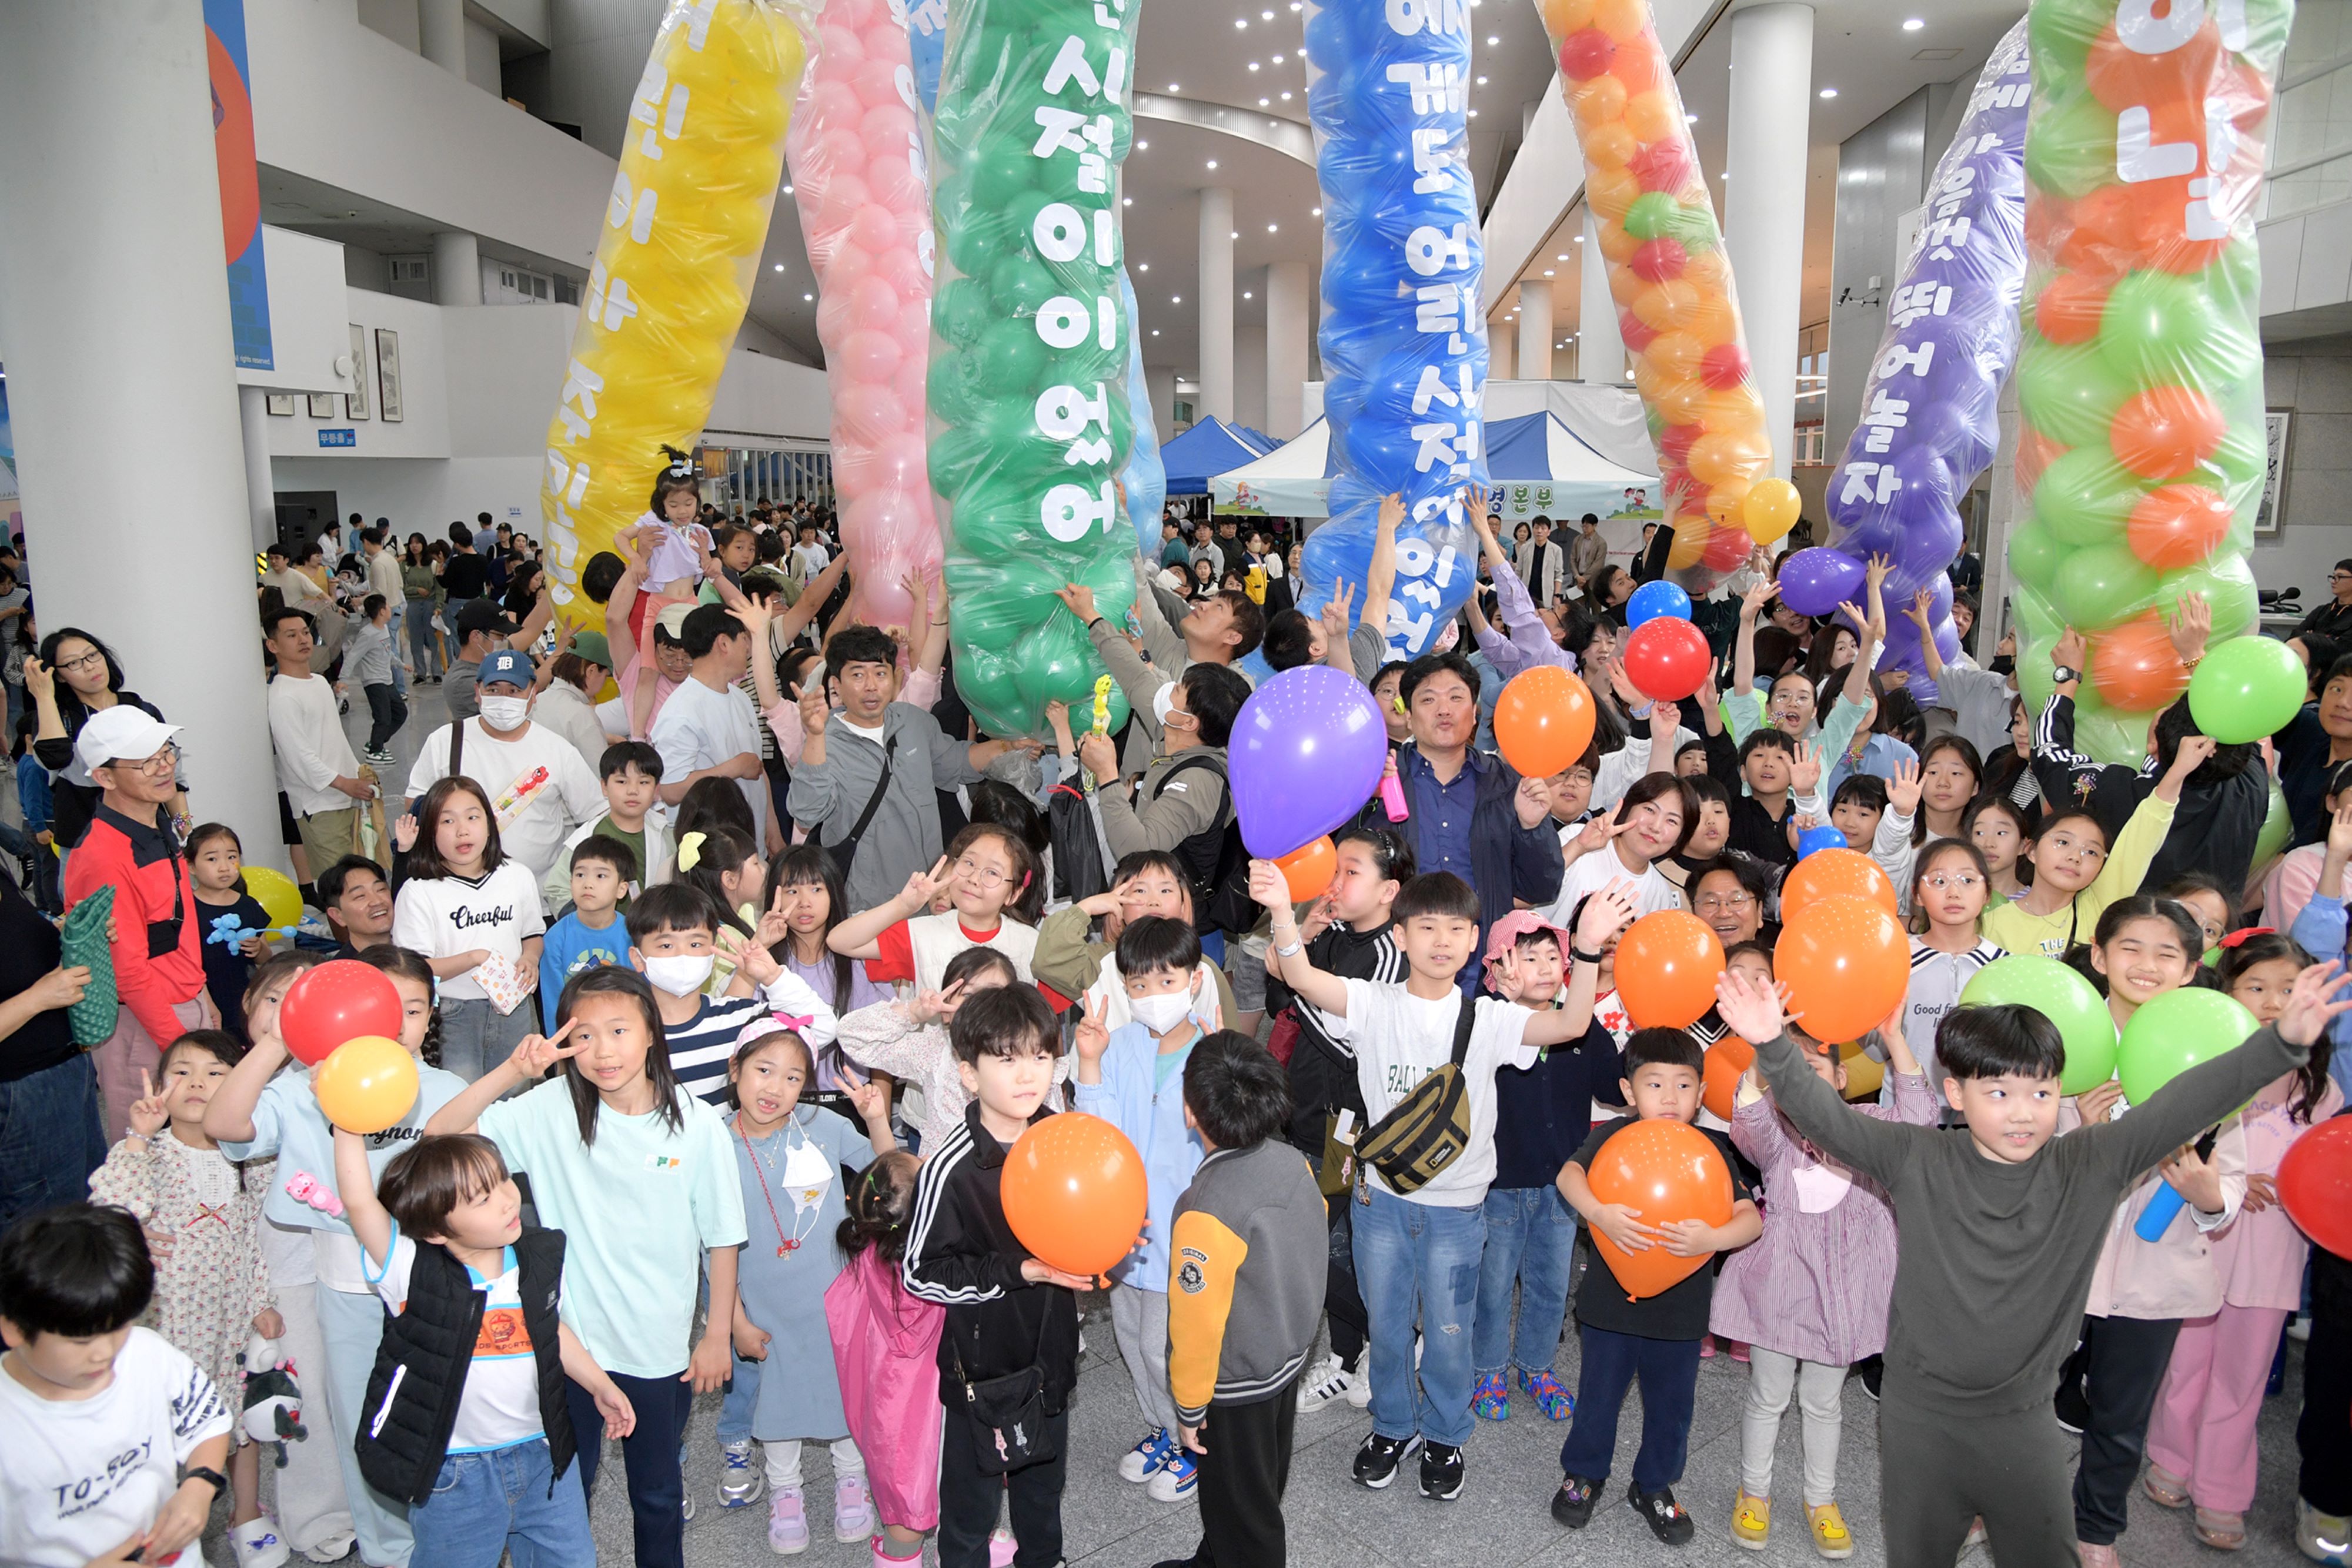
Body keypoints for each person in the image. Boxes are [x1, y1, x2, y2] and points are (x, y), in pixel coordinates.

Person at [1707, 956, 2351, 1566]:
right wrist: (1772, 1045)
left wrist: (2280, 1044)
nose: (2023, 1114)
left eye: (2042, 1094)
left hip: (2022, 1419)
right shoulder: (1917, 1158)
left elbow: (2182, 1103)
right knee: (1919, 1553)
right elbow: (1827, 1121)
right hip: (1917, 1417)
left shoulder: (2091, 1162)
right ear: (1954, 1094)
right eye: (2000, 1094)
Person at [1257, 866, 1626, 1500]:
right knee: (1390, 1325)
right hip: (1381, 1203)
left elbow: (1567, 1027)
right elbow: (1299, 975)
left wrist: (1586, 949)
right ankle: (1393, 1427)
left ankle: (1447, 1435)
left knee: (1451, 1330)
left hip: (1458, 1211)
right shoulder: (1372, 1004)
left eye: (1457, 929)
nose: (1441, 940)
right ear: (1400, 936)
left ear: (1475, 938)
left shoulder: (1488, 1017)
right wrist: (1282, 915)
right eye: (1426, 927)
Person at [426, 965, 749, 1568]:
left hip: (657, 1344)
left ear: (652, 1033)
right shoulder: (546, 1109)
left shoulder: (697, 1124)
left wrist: (716, 1334)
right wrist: (513, 1073)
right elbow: (440, 1138)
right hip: (565, 1343)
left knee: (656, 1493)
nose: (602, 1051)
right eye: (583, 1035)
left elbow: (723, 1238)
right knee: (561, 1493)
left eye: (620, 1030)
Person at [207, 949, 467, 1568]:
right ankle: (387, 1551)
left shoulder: (445, 1089)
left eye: (412, 1010)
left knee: (447, 1412)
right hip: (344, 1282)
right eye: (384, 1008)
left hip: (433, 1277)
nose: (397, 1025)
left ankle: (457, 1539)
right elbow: (225, 1123)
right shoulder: (302, 1087)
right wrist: (281, 1038)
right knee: (362, 1423)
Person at [330, 1125, 621, 1568]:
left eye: (502, 1179)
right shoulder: (410, 1269)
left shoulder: (537, 1257)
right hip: (455, 1475)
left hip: (543, 1455)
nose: (507, 1198)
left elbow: (549, 1330)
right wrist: (346, 1122)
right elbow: (358, 1201)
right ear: (434, 1231)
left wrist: (599, 1383)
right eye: (482, 1198)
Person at [2060, 896, 2242, 1568]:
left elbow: (2232, 1178)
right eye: (2131, 947)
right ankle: (1993, 1502)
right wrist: (2078, 1135)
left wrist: (2208, 1198)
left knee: (2119, 1414)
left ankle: (2096, 1532)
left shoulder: (2214, 1055)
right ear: (2101, 956)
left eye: (2168, 953)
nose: (2147, 964)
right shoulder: (2065, 1040)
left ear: (2192, 969)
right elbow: (2013, 1147)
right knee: (2015, 1391)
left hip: (2154, 1268)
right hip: (2059, 1259)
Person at [1715, 1013, 1939, 1554]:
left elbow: (1922, 1116)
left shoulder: (1872, 1129)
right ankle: (1755, 1491)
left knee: (1823, 1403)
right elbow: (1745, 1116)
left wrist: (1891, 1035)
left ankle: (1821, 1498)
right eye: (1790, 1071)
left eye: (1813, 1066)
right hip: (1781, 1292)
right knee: (1767, 1396)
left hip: (1846, 1298)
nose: (1803, 1078)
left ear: (1841, 1079)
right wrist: (1763, 1056)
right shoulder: (1776, 1136)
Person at [2145, 932, 2342, 1550]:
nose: (2270, 1001)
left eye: (2287, 989)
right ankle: (2168, 1458)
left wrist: (2286, 1184)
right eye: (2254, 987)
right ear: (2227, 993)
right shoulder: (2208, 1067)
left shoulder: (2322, 1093)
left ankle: (2223, 1491)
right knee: (2185, 1362)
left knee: (2243, 1375)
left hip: (2272, 1257)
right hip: (2201, 1245)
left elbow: (2323, 1178)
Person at [901, 985, 1093, 1568]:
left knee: (1042, 1492)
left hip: (1051, 1354)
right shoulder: (951, 1168)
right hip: (980, 1372)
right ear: (967, 1072)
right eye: (1006, 1058)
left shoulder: (1061, 1139)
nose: (1027, 1073)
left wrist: (1103, 1244)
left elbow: (1082, 1225)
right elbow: (920, 1273)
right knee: (971, 1508)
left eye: (1039, 1055)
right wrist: (1018, 1270)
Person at [1551, 1028, 1763, 1543]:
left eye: (1684, 1086)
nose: (1670, 1098)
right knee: (1598, 1395)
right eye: (1655, 1084)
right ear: (1629, 1090)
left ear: (1702, 1090)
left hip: (1681, 1312)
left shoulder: (1710, 1149)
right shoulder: (1612, 1136)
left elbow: (1750, 1218)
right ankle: (1584, 1472)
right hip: (1609, 1306)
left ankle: (1655, 1483)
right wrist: (1599, 1210)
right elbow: (1567, 1176)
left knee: (1672, 1405)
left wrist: (1713, 1236)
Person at [87, 1031, 290, 1568]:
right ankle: (157, 1525)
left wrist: (261, 1303)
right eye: (181, 1071)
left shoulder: (251, 1160)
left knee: (237, 1422)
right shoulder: (149, 1153)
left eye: (215, 1072)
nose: (197, 1081)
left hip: (226, 1322)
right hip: (165, 1323)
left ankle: (245, 1510)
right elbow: (111, 1208)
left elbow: (251, 1240)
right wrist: (136, 1135)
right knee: (158, 1428)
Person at [1154, 1029, 1327, 1568]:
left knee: (1246, 1513)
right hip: (1284, 1358)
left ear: (1190, 1111)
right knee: (1257, 1486)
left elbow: (1195, 1326)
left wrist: (1188, 1408)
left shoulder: (1204, 1206)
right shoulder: (1289, 1159)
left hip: (1232, 1387)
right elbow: (1314, 1237)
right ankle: (1214, 1559)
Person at [717, 1023, 895, 1547]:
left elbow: (888, 1175)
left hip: (837, 1292)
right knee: (777, 1393)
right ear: (736, 1071)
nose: (775, 1087)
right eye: (763, 1070)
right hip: (763, 1301)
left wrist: (877, 1119)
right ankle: (786, 1490)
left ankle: (851, 1479)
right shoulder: (713, 1142)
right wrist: (735, 1321)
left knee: (846, 1386)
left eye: (793, 1077)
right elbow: (707, 1245)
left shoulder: (823, 1125)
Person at [0, 1203, 233, 1568]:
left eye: (118, 1328)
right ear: (14, 1328)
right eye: (81, 1342)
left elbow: (208, 1423)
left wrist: (200, 1485)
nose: (105, 1353)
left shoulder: (146, 1353)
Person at [1071, 917, 1213, 1505]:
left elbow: (1225, 1142)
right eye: (1138, 985)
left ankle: (1194, 1441)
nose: (1153, 995)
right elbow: (1096, 1133)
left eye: (1166, 979)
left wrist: (1223, 1067)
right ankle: (1162, 1427)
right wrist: (1089, 1061)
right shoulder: (1121, 1044)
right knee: (1131, 1337)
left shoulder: (1211, 1050)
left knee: (1167, 1347)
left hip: (1183, 1232)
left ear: (1195, 979)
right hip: (1126, 1229)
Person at [1472, 912, 1622, 1426]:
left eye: (1553, 956)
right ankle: (1488, 1368)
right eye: (1527, 957)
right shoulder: (1487, 1018)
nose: (1542, 967)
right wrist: (1507, 1003)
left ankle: (1536, 1366)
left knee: (1550, 1285)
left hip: (1563, 1183)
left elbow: (1611, 1084)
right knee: (1492, 1284)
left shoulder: (1577, 1021)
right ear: (1497, 967)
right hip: (1499, 1182)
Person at [1349, 651, 1562, 978]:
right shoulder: (1378, 777)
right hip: (1395, 966)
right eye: (1428, 699)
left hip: (1482, 969)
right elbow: (1349, 872)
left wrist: (1531, 827)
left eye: (1456, 697)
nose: (1444, 709)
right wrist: (1369, 801)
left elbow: (1540, 889)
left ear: (1475, 713)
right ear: (1407, 716)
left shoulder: (1507, 785)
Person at [64, 706, 214, 1142]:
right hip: (145, 1024)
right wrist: (180, 1047)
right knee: (144, 1149)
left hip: (183, 1003)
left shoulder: (154, 821)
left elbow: (173, 926)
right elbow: (128, 969)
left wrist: (201, 994)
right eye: (146, 760)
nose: (164, 766)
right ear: (105, 777)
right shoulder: (103, 856)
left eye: (166, 751)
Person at [787, 626, 1007, 914]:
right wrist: (815, 736)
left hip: (927, 898)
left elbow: (957, 762)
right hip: (868, 908)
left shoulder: (913, 722)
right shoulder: (825, 741)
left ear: (894, 677)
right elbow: (806, 813)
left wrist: (1009, 746)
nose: (871, 685)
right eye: (857, 674)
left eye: (880, 673)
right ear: (836, 685)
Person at [1980, 736, 2207, 957]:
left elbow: (2145, 831)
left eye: (2091, 852)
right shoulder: (1988, 924)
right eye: (2063, 842)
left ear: (2102, 866)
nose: (2075, 857)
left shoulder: (2099, 905)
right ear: (2031, 850)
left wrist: (2179, 771)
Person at [823, 1149, 940, 1568]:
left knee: (904, 1513)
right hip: (939, 1417)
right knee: (948, 1493)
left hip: (891, 1420)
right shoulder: (941, 1274)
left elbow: (892, 1186)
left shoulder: (871, 1258)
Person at [623, 881, 837, 1105]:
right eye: (666, 946)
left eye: (696, 944)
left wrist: (772, 976)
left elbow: (823, 1028)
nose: (683, 955)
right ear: (638, 958)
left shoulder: (739, 1020)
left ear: (713, 952)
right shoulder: (623, 1030)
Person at [403, 648, 605, 884]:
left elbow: (595, 814)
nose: (503, 698)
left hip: (538, 896)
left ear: (534, 694)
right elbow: (415, 804)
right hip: (459, 890)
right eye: (494, 690)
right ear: (477, 692)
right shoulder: (446, 740)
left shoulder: (558, 750)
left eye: (514, 691)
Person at [392, 777, 547, 1082]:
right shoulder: (419, 891)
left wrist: (530, 958)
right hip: (452, 1015)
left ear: (489, 824)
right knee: (460, 1103)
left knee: (514, 1097)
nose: (462, 830)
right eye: (447, 821)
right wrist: (475, 957)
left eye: (473, 817)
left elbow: (532, 935)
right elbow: (416, 969)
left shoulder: (517, 876)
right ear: (430, 833)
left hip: (513, 1008)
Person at [834, 947, 1043, 1151]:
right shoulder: (933, 1049)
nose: (980, 1005)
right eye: (969, 995)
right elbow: (851, 1036)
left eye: (992, 993)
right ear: (946, 1012)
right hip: (941, 1179)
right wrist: (913, 1013)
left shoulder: (1034, 1058)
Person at [0, 860, 100, 1231]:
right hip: (22, 1095)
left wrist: (66, 937)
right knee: (50, 1237)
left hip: (62, 1070)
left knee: (86, 1213)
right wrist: (37, 999)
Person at [829, 823, 1042, 993]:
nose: (974, 879)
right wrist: (902, 906)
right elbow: (839, 941)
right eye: (969, 863)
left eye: (992, 873)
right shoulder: (921, 933)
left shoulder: (1033, 944)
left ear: (1013, 894)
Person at [29, 626, 185, 852]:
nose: (90, 666)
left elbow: (175, 782)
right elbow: (54, 759)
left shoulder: (140, 710)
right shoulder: (55, 717)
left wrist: (187, 833)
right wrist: (44, 697)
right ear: (59, 675)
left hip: (149, 838)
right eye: (74, 663)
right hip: (84, 845)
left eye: (93, 655)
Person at [264, 606, 376, 880]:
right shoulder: (282, 696)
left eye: (305, 633)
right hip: (318, 804)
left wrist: (357, 774)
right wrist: (345, 783)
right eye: (291, 635)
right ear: (273, 645)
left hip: (346, 797)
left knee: (359, 880)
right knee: (341, 889)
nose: (303, 640)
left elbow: (334, 739)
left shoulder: (319, 682)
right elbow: (299, 757)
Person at [652, 603, 767, 846]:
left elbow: (756, 769)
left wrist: (772, 830)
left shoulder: (741, 698)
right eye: (744, 639)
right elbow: (672, 791)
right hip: (710, 851)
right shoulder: (681, 711)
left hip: (751, 840)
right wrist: (733, 768)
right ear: (724, 643)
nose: (748, 647)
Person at [544, 740, 670, 913]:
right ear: (604, 787)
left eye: (643, 783)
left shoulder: (667, 835)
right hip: (598, 936)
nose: (632, 791)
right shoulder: (588, 836)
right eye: (622, 782)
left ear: (656, 789)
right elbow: (556, 889)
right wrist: (588, 924)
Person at [185, 823, 272, 1041]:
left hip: (243, 997)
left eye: (232, 857)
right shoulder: (186, 908)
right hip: (203, 999)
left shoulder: (248, 905)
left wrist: (259, 948)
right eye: (212, 859)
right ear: (191, 866)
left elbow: (266, 958)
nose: (224, 867)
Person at [539, 835, 632, 1015]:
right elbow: (553, 1003)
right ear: (571, 883)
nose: (588, 884)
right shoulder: (556, 938)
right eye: (580, 875)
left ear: (622, 889)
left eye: (601, 876)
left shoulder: (631, 934)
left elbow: (639, 995)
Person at [533, 635, 619, 775]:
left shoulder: (538, 701)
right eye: (605, 675)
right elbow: (600, 778)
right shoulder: (583, 716)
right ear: (591, 671)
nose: (605, 682)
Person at [345, 595, 406, 767]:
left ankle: (376, 742)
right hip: (373, 681)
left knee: (401, 713)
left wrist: (401, 665)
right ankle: (375, 752)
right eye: (387, 606)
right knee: (383, 717)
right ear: (381, 612)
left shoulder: (384, 629)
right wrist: (343, 679)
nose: (390, 609)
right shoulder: (368, 633)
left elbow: (388, 652)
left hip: (387, 680)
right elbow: (353, 656)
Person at [317, 854, 395, 955]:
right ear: (337, 916)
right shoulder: (345, 969)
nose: (377, 901)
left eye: (381, 889)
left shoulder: (416, 949)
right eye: (360, 896)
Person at [2293, 559, 2352, 644]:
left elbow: (2343, 647)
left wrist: (2311, 637)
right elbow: (2295, 635)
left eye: (2340, 577)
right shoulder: (2321, 611)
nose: (2333, 581)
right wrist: (2328, 639)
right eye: (2333, 577)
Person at [1568, 513, 1608, 588]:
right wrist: (1577, 576)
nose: (1584, 529)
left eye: (1587, 526)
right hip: (1577, 578)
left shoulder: (1601, 542)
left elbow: (1598, 564)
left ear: (1595, 526)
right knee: (1576, 599)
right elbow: (1572, 559)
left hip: (1593, 579)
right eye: (1583, 526)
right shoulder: (1577, 539)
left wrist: (1584, 578)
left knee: (1592, 599)